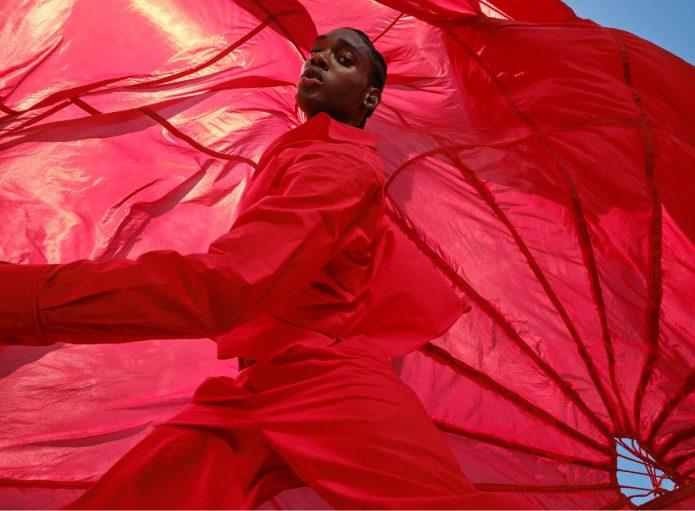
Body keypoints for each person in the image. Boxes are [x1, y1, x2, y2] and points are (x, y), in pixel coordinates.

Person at [0, 27, 514, 509]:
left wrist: (17, 300)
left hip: (330, 382)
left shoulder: (340, 164)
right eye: (318, 51)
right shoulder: (298, 154)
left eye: (344, 59)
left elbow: (226, 287)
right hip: (259, 386)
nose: (320, 59)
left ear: (370, 99)